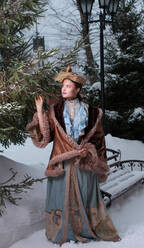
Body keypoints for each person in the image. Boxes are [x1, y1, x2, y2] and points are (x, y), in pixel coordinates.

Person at [26, 65, 121, 245]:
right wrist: (40, 112)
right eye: (62, 85)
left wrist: (94, 157)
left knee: (85, 196)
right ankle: (64, 232)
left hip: (84, 164)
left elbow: (100, 141)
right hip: (61, 165)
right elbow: (45, 139)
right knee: (62, 198)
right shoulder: (54, 111)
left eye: (68, 86)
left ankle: (87, 228)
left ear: (78, 89)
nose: (63, 88)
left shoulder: (93, 113)